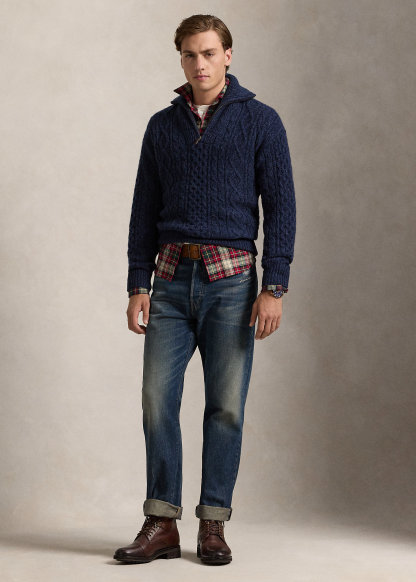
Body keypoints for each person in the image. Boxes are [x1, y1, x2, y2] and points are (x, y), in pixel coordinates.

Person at [113, 13, 296, 566]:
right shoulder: (161, 126)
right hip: (169, 281)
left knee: (226, 408)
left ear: (228, 56)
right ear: (182, 59)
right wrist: (138, 282)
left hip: (233, 283)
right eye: (190, 54)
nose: (200, 64)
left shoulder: (261, 121)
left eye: (209, 53)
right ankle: (162, 522)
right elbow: (143, 209)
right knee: (156, 401)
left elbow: (281, 208)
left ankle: (212, 524)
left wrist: (275, 285)